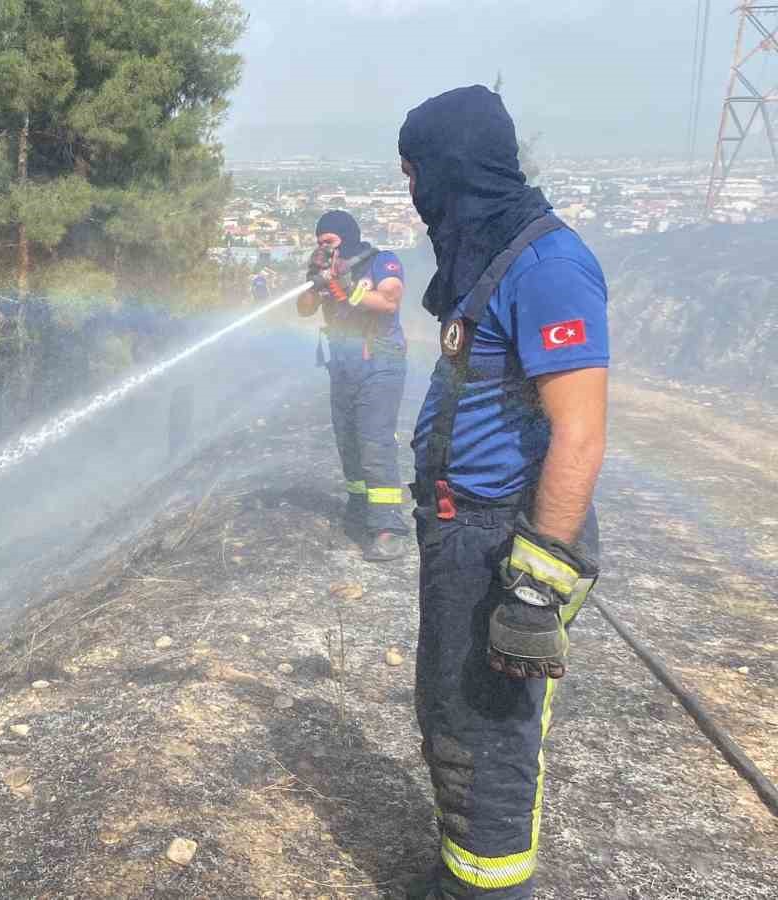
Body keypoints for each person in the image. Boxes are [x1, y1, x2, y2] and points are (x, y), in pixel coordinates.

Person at [400, 85, 608, 900]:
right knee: (453, 718)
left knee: (490, 735)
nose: (411, 192)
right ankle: (466, 882)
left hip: (506, 541)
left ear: (452, 168)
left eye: (416, 173)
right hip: (463, 536)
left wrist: (533, 585)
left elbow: (581, 433)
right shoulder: (490, 258)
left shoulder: (549, 266)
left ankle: (489, 891)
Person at [296, 210, 409, 561]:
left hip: (380, 362)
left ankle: (389, 527)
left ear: (346, 237)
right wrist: (316, 279)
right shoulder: (324, 271)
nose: (324, 247)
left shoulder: (380, 262)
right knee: (348, 440)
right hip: (342, 366)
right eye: (319, 243)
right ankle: (360, 509)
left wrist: (347, 288)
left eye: (328, 241)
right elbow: (303, 309)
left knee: (374, 441)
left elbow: (390, 301)